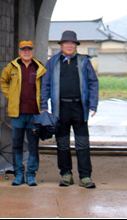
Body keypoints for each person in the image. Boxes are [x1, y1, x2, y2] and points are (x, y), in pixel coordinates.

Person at [41, 30, 98, 189]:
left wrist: (93, 104)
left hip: (79, 108)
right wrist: (44, 106)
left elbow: (93, 83)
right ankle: (66, 174)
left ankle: (85, 176)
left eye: (72, 43)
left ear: (76, 46)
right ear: (61, 45)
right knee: (62, 143)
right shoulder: (52, 62)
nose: (69, 46)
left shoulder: (84, 61)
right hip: (60, 108)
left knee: (82, 143)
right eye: (66, 43)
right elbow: (45, 84)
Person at [0, 40, 46, 187]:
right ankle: (19, 174)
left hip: (34, 113)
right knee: (17, 144)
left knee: (33, 145)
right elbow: (3, 81)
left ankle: (31, 174)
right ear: (19, 52)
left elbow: (45, 86)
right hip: (17, 113)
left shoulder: (39, 67)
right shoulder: (12, 67)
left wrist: (43, 105)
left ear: (33, 51)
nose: (27, 52)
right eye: (24, 50)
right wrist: (10, 95)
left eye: (29, 50)